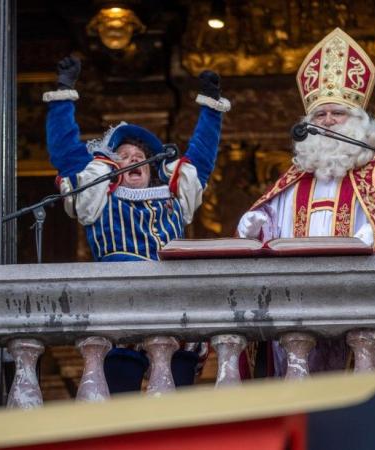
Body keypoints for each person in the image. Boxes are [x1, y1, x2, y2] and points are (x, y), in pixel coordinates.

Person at [236, 28, 375, 450]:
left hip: (365, 319)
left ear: (359, 122)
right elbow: (270, 222)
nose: (325, 123)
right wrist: (257, 224)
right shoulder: (294, 178)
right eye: (319, 116)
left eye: (336, 115)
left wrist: (371, 237)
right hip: (300, 316)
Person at [43, 56, 230, 392]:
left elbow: (200, 157)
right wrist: (63, 93)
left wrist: (211, 108)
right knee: (121, 399)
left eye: (139, 157)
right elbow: (66, 152)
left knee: (178, 405)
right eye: (124, 156)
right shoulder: (98, 199)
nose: (133, 160)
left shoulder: (174, 197)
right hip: (120, 307)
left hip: (176, 309)